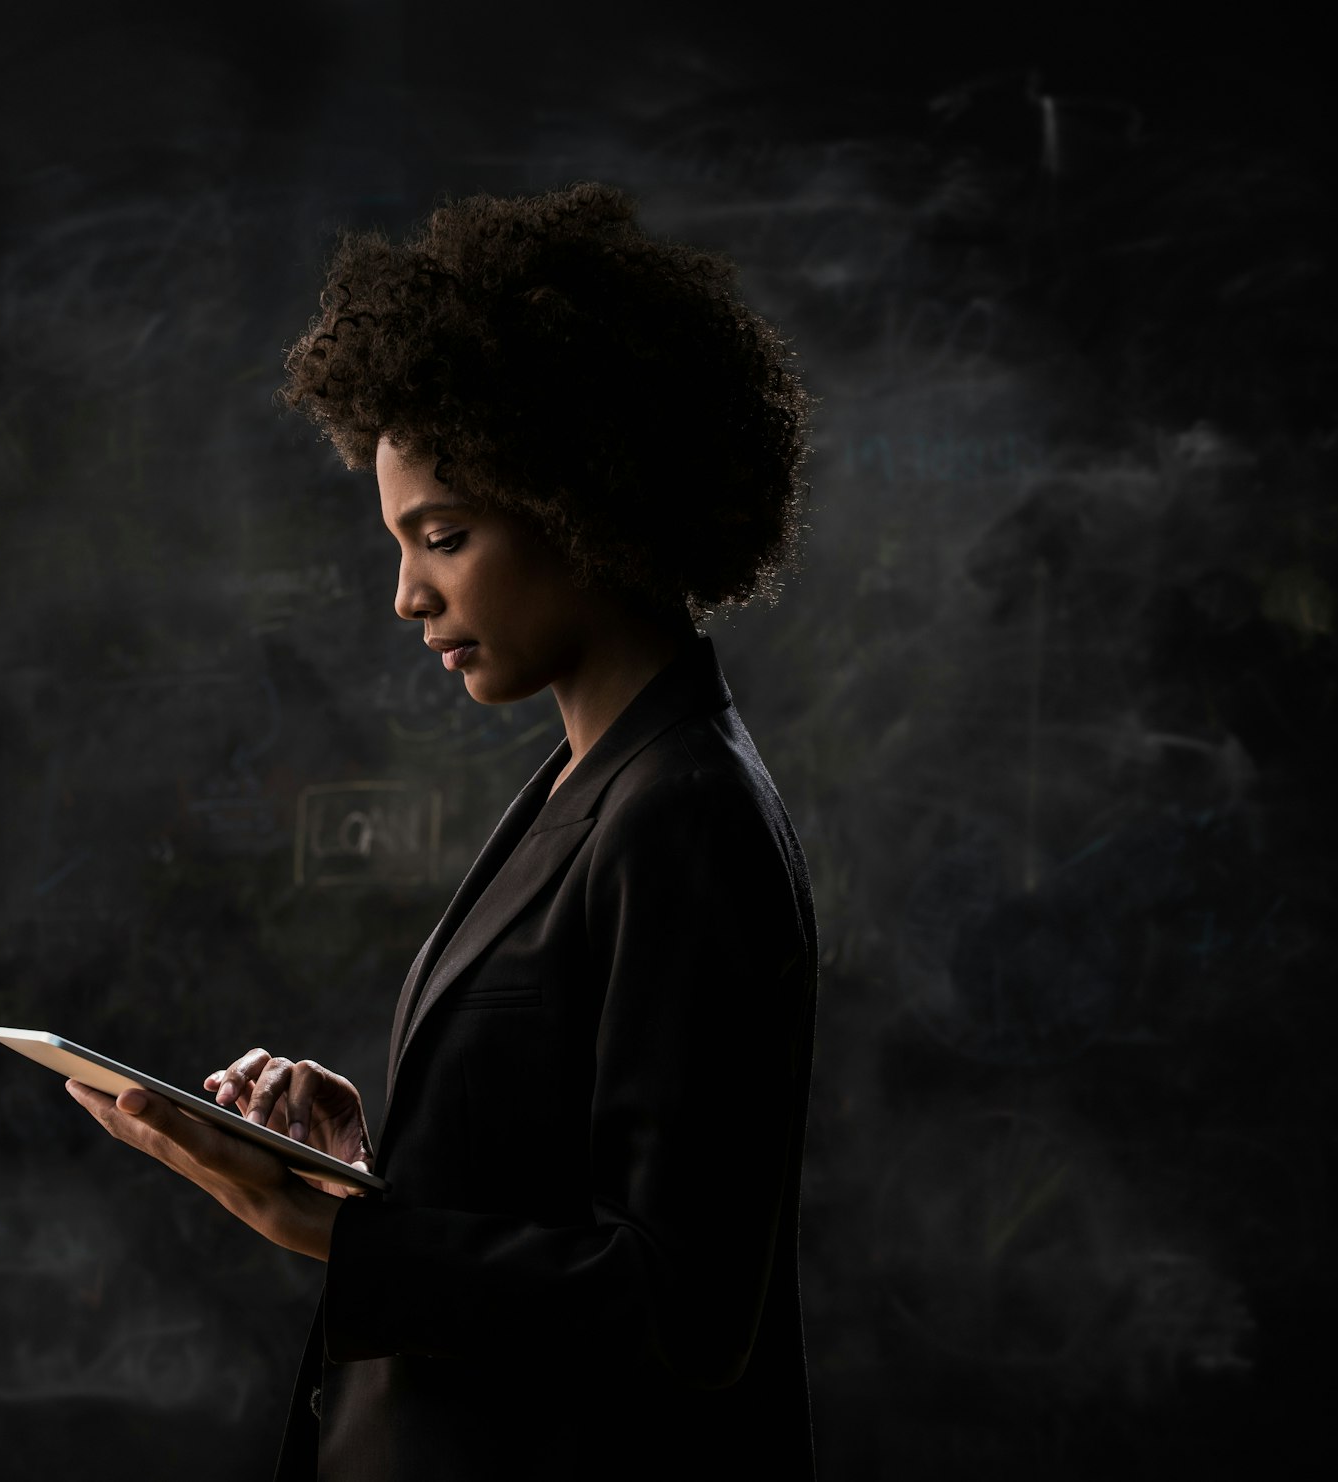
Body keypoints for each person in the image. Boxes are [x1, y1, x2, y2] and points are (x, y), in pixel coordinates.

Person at [66, 181, 819, 1480]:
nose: (409, 594)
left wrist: (327, 1235)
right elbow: (555, 1200)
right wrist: (370, 1174)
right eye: (400, 541)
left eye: (446, 537)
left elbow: (682, 1306)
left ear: (590, 499)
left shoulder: (682, 814)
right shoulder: (590, 781)